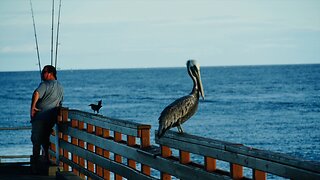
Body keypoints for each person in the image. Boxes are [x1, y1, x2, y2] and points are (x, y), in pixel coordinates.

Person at [30, 65, 63, 173]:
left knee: (36, 141)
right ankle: (47, 159)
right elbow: (59, 103)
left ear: (50, 73)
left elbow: (36, 93)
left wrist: (33, 107)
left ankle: (35, 166)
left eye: (44, 72)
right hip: (51, 119)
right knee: (45, 140)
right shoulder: (60, 87)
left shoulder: (45, 84)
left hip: (40, 118)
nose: (42, 74)